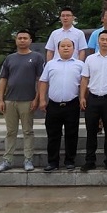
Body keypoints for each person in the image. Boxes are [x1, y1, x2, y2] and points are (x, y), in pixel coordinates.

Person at [0, 29, 45, 173]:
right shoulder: (10, 58)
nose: (22, 40)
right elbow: (3, 79)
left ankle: (28, 159)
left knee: (28, 131)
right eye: (20, 38)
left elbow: (41, 80)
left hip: (27, 100)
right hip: (10, 100)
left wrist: (37, 98)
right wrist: (1, 100)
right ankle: (7, 160)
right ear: (16, 40)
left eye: (25, 38)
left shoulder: (37, 57)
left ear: (30, 41)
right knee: (11, 132)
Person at [79, 30, 107, 172]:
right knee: (91, 131)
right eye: (102, 39)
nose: (104, 42)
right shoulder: (90, 59)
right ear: (98, 41)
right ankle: (90, 161)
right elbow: (85, 79)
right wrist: (82, 97)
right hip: (93, 98)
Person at [39, 38, 83, 171]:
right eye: (62, 46)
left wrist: (83, 98)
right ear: (58, 49)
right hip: (54, 105)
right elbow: (43, 81)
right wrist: (42, 99)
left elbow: (84, 83)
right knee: (53, 134)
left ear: (74, 49)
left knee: (72, 134)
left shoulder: (80, 64)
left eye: (69, 46)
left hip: (72, 104)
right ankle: (53, 162)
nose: (66, 48)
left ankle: (70, 161)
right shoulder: (50, 64)